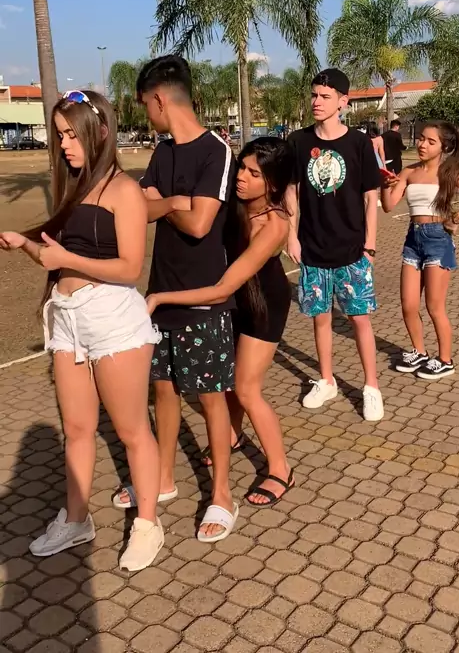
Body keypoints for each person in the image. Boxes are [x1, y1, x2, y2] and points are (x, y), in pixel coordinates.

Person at [0, 90, 163, 571]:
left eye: (72, 135)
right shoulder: (73, 188)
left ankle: (147, 523)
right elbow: (58, 257)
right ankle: (75, 520)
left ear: (101, 132)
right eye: (60, 136)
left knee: (132, 430)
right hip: (67, 318)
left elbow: (130, 267)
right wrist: (24, 244)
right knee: (76, 428)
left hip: (113, 319)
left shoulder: (125, 190)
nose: (65, 145)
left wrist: (66, 257)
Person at [112, 56, 238, 543]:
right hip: (159, 296)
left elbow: (201, 223)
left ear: (160, 99)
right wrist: (171, 204)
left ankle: (221, 494)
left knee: (210, 397)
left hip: (203, 297)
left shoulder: (215, 151)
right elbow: (140, 209)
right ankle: (162, 479)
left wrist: (161, 204)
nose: (147, 115)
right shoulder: (163, 153)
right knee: (163, 391)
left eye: (146, 105)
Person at [147, 137, 294, 506]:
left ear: (273, 184)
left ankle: (280, 468)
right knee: (226, 381)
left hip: (263, 304)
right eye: (241, 167)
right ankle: (231, 434)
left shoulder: (274, 224)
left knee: (245, 388)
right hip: (233, 301)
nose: (241, 177)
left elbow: (222, 288)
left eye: (254, 174)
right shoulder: (232, 199)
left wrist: (161, 297)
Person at [286, 69, 384, 422]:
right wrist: (291, 235)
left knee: (359, 319)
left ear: (343, 101)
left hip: (352, 250)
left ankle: (371, 387)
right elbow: (291, 191)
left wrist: (369, 245)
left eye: (325, 97)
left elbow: (370, 197)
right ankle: (326, 380)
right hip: (312, 249)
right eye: (314, 95)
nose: (317, 102)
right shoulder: (298, 142)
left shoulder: (359, 143)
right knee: (320, 318)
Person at [382, 121, 459, 379]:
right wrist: (385, 185)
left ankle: (445, 360)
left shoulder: (450, 174)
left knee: (434, 307)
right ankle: (419, 352)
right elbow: (388, 206)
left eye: (430, 141)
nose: (422, 144)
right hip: (412, 240)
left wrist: (458, 217)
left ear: (444, 147)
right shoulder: (408, 172)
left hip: (438, 240)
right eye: (421, 138)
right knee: (408, 305)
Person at [368, 123, 387, 207]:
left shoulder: (365, 137)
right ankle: (376, 199)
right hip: (376, 160)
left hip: (368, 159)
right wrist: (383, 164)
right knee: (377, 180)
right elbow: (381, 152)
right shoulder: (379, 139)